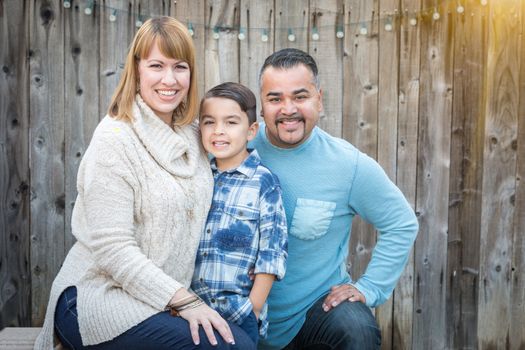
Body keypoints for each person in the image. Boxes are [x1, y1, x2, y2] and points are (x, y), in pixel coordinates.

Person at [34, 17, 255, 349]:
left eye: (180, 67)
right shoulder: (115, 140)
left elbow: (242, 135)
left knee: (242, 339)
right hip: (96, 298)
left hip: (159, 300)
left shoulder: (194, 134)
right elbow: (114, 250)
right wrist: (185, 301)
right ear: (137, 70)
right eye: (156, 65)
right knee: (229, 347)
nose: (169, 79)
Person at [250, 48, 420, 350]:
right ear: (261, 107)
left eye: (300, 97)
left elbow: (401, 223)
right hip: (238, 316)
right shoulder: (235, 149)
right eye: (275, 99)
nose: (288, 109)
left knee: (355, 329)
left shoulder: (347, 165)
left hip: (311, 317)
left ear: (319, 99)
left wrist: (369, 287)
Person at [191, 82, 288, 346]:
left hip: (236, 312)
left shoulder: (263, 182)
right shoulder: (198, 176)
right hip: (191, 308)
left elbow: (272, 254)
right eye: (210, 122)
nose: (219, 131)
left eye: (231, 122)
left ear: (251, 130)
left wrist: (252, 308)